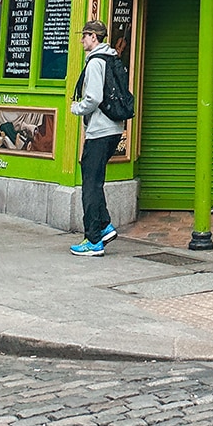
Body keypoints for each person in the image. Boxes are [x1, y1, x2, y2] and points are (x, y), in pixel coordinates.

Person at [69, 20, 124, 256]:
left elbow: (92, 98)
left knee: (89, 185)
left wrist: (76, 108)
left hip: (99, 131)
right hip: (114, 129)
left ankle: (93, 240)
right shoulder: (112, 58)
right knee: (95, 179)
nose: (82, 41)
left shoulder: (95, 62)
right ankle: (104, 225)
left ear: (93, 37)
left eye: (85, 36)